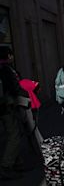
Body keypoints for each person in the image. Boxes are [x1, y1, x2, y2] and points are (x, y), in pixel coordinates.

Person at [0, 46, 24, 179]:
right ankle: (6, 165)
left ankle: (16, 162)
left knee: (14, 133)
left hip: (4, 106)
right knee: (14, 134)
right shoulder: (5, 70)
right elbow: (13, 87)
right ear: (8, 56)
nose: (12, 57)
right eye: (11, 54)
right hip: (7, 107)